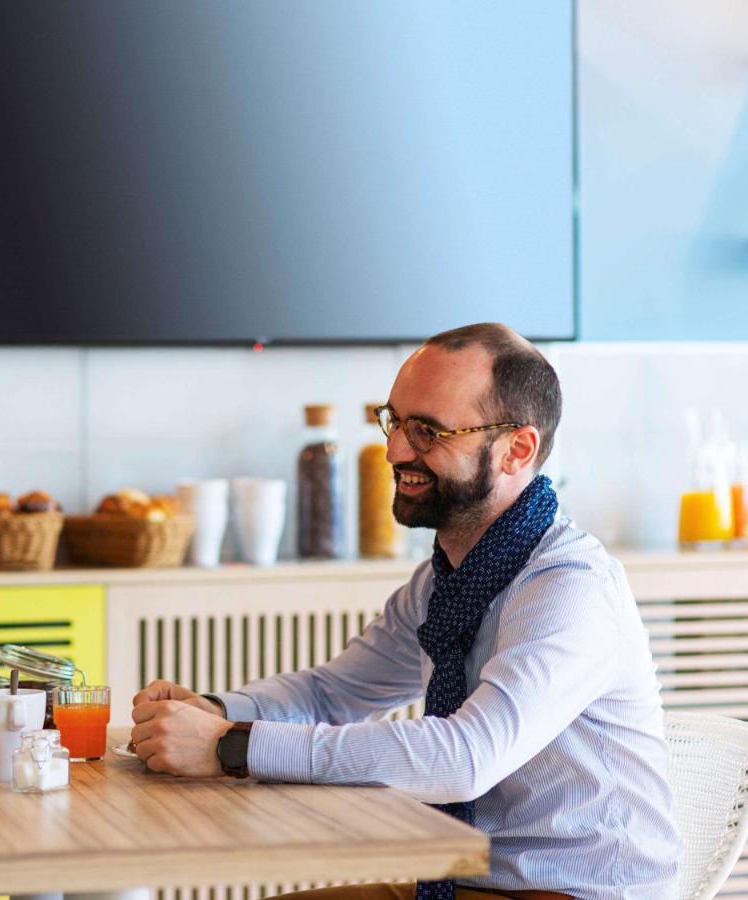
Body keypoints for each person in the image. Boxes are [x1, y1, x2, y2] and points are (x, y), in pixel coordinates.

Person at [129, 323, 682, 900]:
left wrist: (232, 745)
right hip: (469, 881)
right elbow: (332, 695)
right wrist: (214, 711)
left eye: (430, 431)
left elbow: (467, 757)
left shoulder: (569, 589)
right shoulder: (447, 578)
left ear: (518, 449)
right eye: (394, 421)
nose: (396, 450)